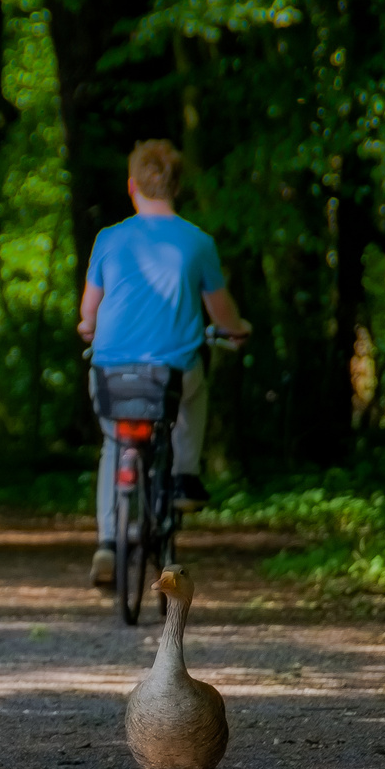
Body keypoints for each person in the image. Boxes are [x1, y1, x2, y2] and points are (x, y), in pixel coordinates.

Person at [78, 140, 250, 585]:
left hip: (110, 372)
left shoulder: (108, 238)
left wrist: (87, 327)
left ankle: (107, 544)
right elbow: (220, 311)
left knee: (114, 444)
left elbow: (89, 311)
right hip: (170, 376)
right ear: (178, 186)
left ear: (132, 185)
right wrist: (237, 330)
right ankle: (184, 477)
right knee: (195, 394)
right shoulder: (198, 242)